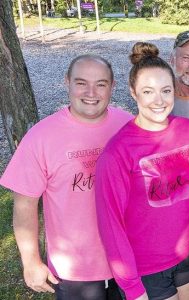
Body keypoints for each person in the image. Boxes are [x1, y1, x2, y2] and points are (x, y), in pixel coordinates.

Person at [0, 55, 133, 299]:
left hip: (129, 258)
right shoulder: (41, 137)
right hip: (74, 269)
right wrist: (30, 261)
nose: (91, 92)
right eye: (81, 83)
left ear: (112, 86)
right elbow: (24, 203)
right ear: (67, 83)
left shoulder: (128, 126)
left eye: (101, 84)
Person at [95, 42, 189, 300]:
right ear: (133, 93)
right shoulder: (118, 151)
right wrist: (132, 287)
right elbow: (110, 224)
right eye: (148, 91)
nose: (159, 101)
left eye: (166, 90)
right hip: (147, 269)